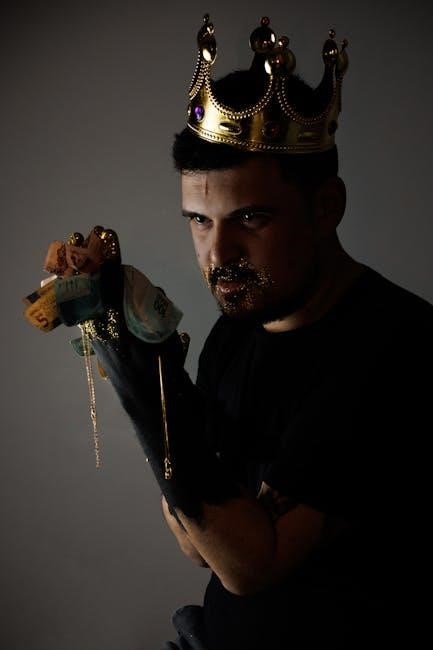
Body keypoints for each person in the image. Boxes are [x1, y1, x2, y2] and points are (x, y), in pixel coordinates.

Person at [34, 14, 432, 650]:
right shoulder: (235, 335)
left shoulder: (399, 347)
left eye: (250, 218)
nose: (219, 255)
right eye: (199, 220)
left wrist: (140, 364)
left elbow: (249, 563)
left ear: (326, 208)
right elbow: (200, 544)